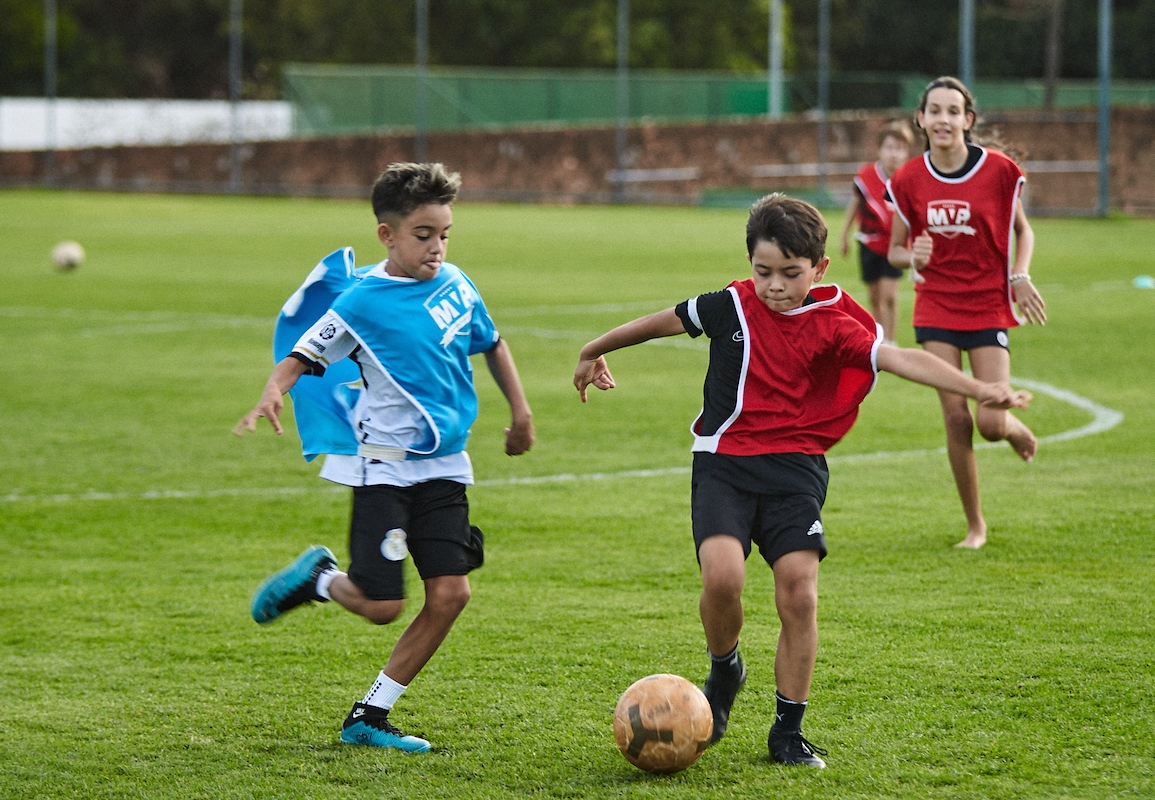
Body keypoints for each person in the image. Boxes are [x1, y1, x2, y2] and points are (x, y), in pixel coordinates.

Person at [573, 193, 1031, 768]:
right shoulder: (730, 307)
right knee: (722, 578)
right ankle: (725, 668)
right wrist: (593, 350)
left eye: (791, 274)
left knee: (799, 590)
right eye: (763, 272)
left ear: (819, 269)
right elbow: (658, 324)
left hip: (794, 470)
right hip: (724, 463)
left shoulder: (834, 328)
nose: (775, 286)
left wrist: (979, 389)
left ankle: (787, 731)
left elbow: (902, 359)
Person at [234, 162, 535, 752]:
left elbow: (492, 343)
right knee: (382, 605)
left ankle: (369, 716)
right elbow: (303, 354)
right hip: (386, 469)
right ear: (387, 235)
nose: (437, 247)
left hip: (445, 465)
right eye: (423, 234)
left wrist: (520, 412)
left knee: (451, 593)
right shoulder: (362, 302)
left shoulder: (457, 283)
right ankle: (320, 580)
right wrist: (274, 389)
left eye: (445, 233)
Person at [886, 76, 1046, 549]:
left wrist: (1019, 275)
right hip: (936, 303)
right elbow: (894, 250)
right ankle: (976, 525)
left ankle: (1012, 427)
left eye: (953, 111)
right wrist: (911, 256)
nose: (943, 119)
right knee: (956, 418)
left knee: (991, 422)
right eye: (934, 110)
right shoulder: (908, 179)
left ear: (967, 120)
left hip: (988, 305)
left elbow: (1025, 232)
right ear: (921, 119)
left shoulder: (999, 171)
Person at [838, 121, 915, 345]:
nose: (894, 154)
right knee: (874, 296)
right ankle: (878, 337)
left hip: (896, 245)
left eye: (899, 148)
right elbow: (854, 205)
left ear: (906, 152)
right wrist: (844, 235)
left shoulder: (908, 178)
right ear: (880, 149)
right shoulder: (866, 175)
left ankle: (890, 340)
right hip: (869, 243)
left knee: (889, 295)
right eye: (889, 147)